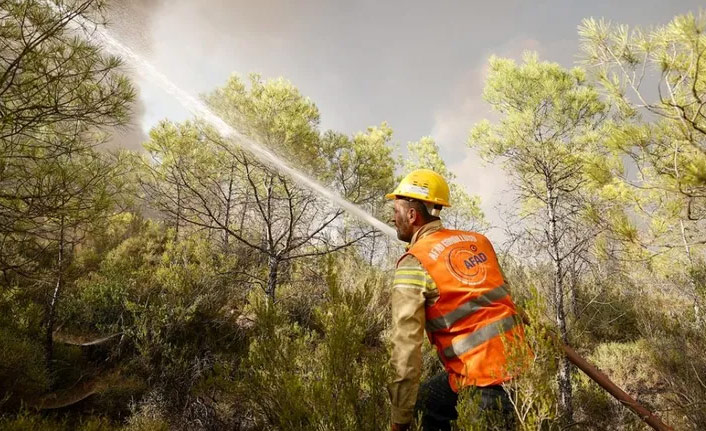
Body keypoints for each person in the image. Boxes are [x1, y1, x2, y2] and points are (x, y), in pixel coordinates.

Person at [386, 169, 525, 431]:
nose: (392, 218)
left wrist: (400, 420)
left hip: (482, 381)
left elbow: (406, 350)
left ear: (412, 215)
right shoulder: (479, 242)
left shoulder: (415, 262)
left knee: (416, 407)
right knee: (427, 399)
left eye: (396, 211)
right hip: (523, 370)